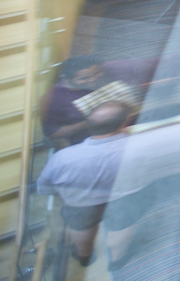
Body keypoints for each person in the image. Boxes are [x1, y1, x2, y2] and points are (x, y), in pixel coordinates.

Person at [36, 100, 149, 268]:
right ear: (125, 123)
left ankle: (84, 256)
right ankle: (118, 259)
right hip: (125, 197)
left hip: (80, 203)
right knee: (122, 227)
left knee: (82, 229)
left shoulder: (62, 158)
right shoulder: (140, 146)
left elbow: (44, 187)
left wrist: (67, 195)